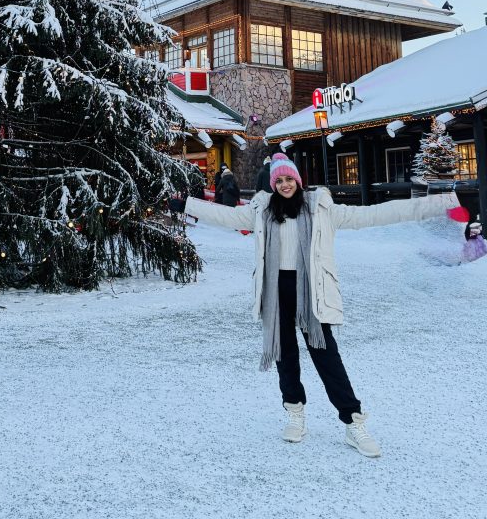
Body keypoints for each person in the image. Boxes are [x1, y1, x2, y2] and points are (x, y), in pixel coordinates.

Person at [186, 152, 462, 458]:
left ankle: (352, 421)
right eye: (279, 180)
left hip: (312, 292)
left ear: (299, 181)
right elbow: (225, 217)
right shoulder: (261, 210)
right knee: (285, 357)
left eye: (290, 179)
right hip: (276, 292)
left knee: (327, 358)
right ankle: (295, 412)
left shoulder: (321, 209)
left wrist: (441, 203)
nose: (285, 185)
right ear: (273, 183)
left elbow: (377, 214)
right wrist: (185, 205)